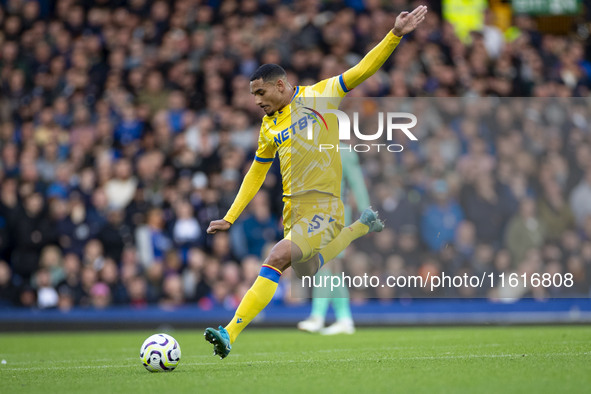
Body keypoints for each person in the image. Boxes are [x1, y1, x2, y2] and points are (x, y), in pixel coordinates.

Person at [204, 5, 428, 359]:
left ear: (280, 85)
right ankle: (360, 228)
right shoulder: (269, 126)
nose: (257, 101)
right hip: (293, 211)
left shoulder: (319, 96)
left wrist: (394, 34)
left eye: (261, 93)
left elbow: (361, 70)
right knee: (308, 268)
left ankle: (229, 333)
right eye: (253, 96)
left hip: (325, 207)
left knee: (276, 258)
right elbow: (256, 174)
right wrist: (231, 216)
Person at [297, 145, 369, 335]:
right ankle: (344, 318)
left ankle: (317, 316)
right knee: (333, 268)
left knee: (325, 263)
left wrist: (366, 213)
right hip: (315, 215)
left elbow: (357, 183)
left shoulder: (344, 152)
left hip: (336, 214)